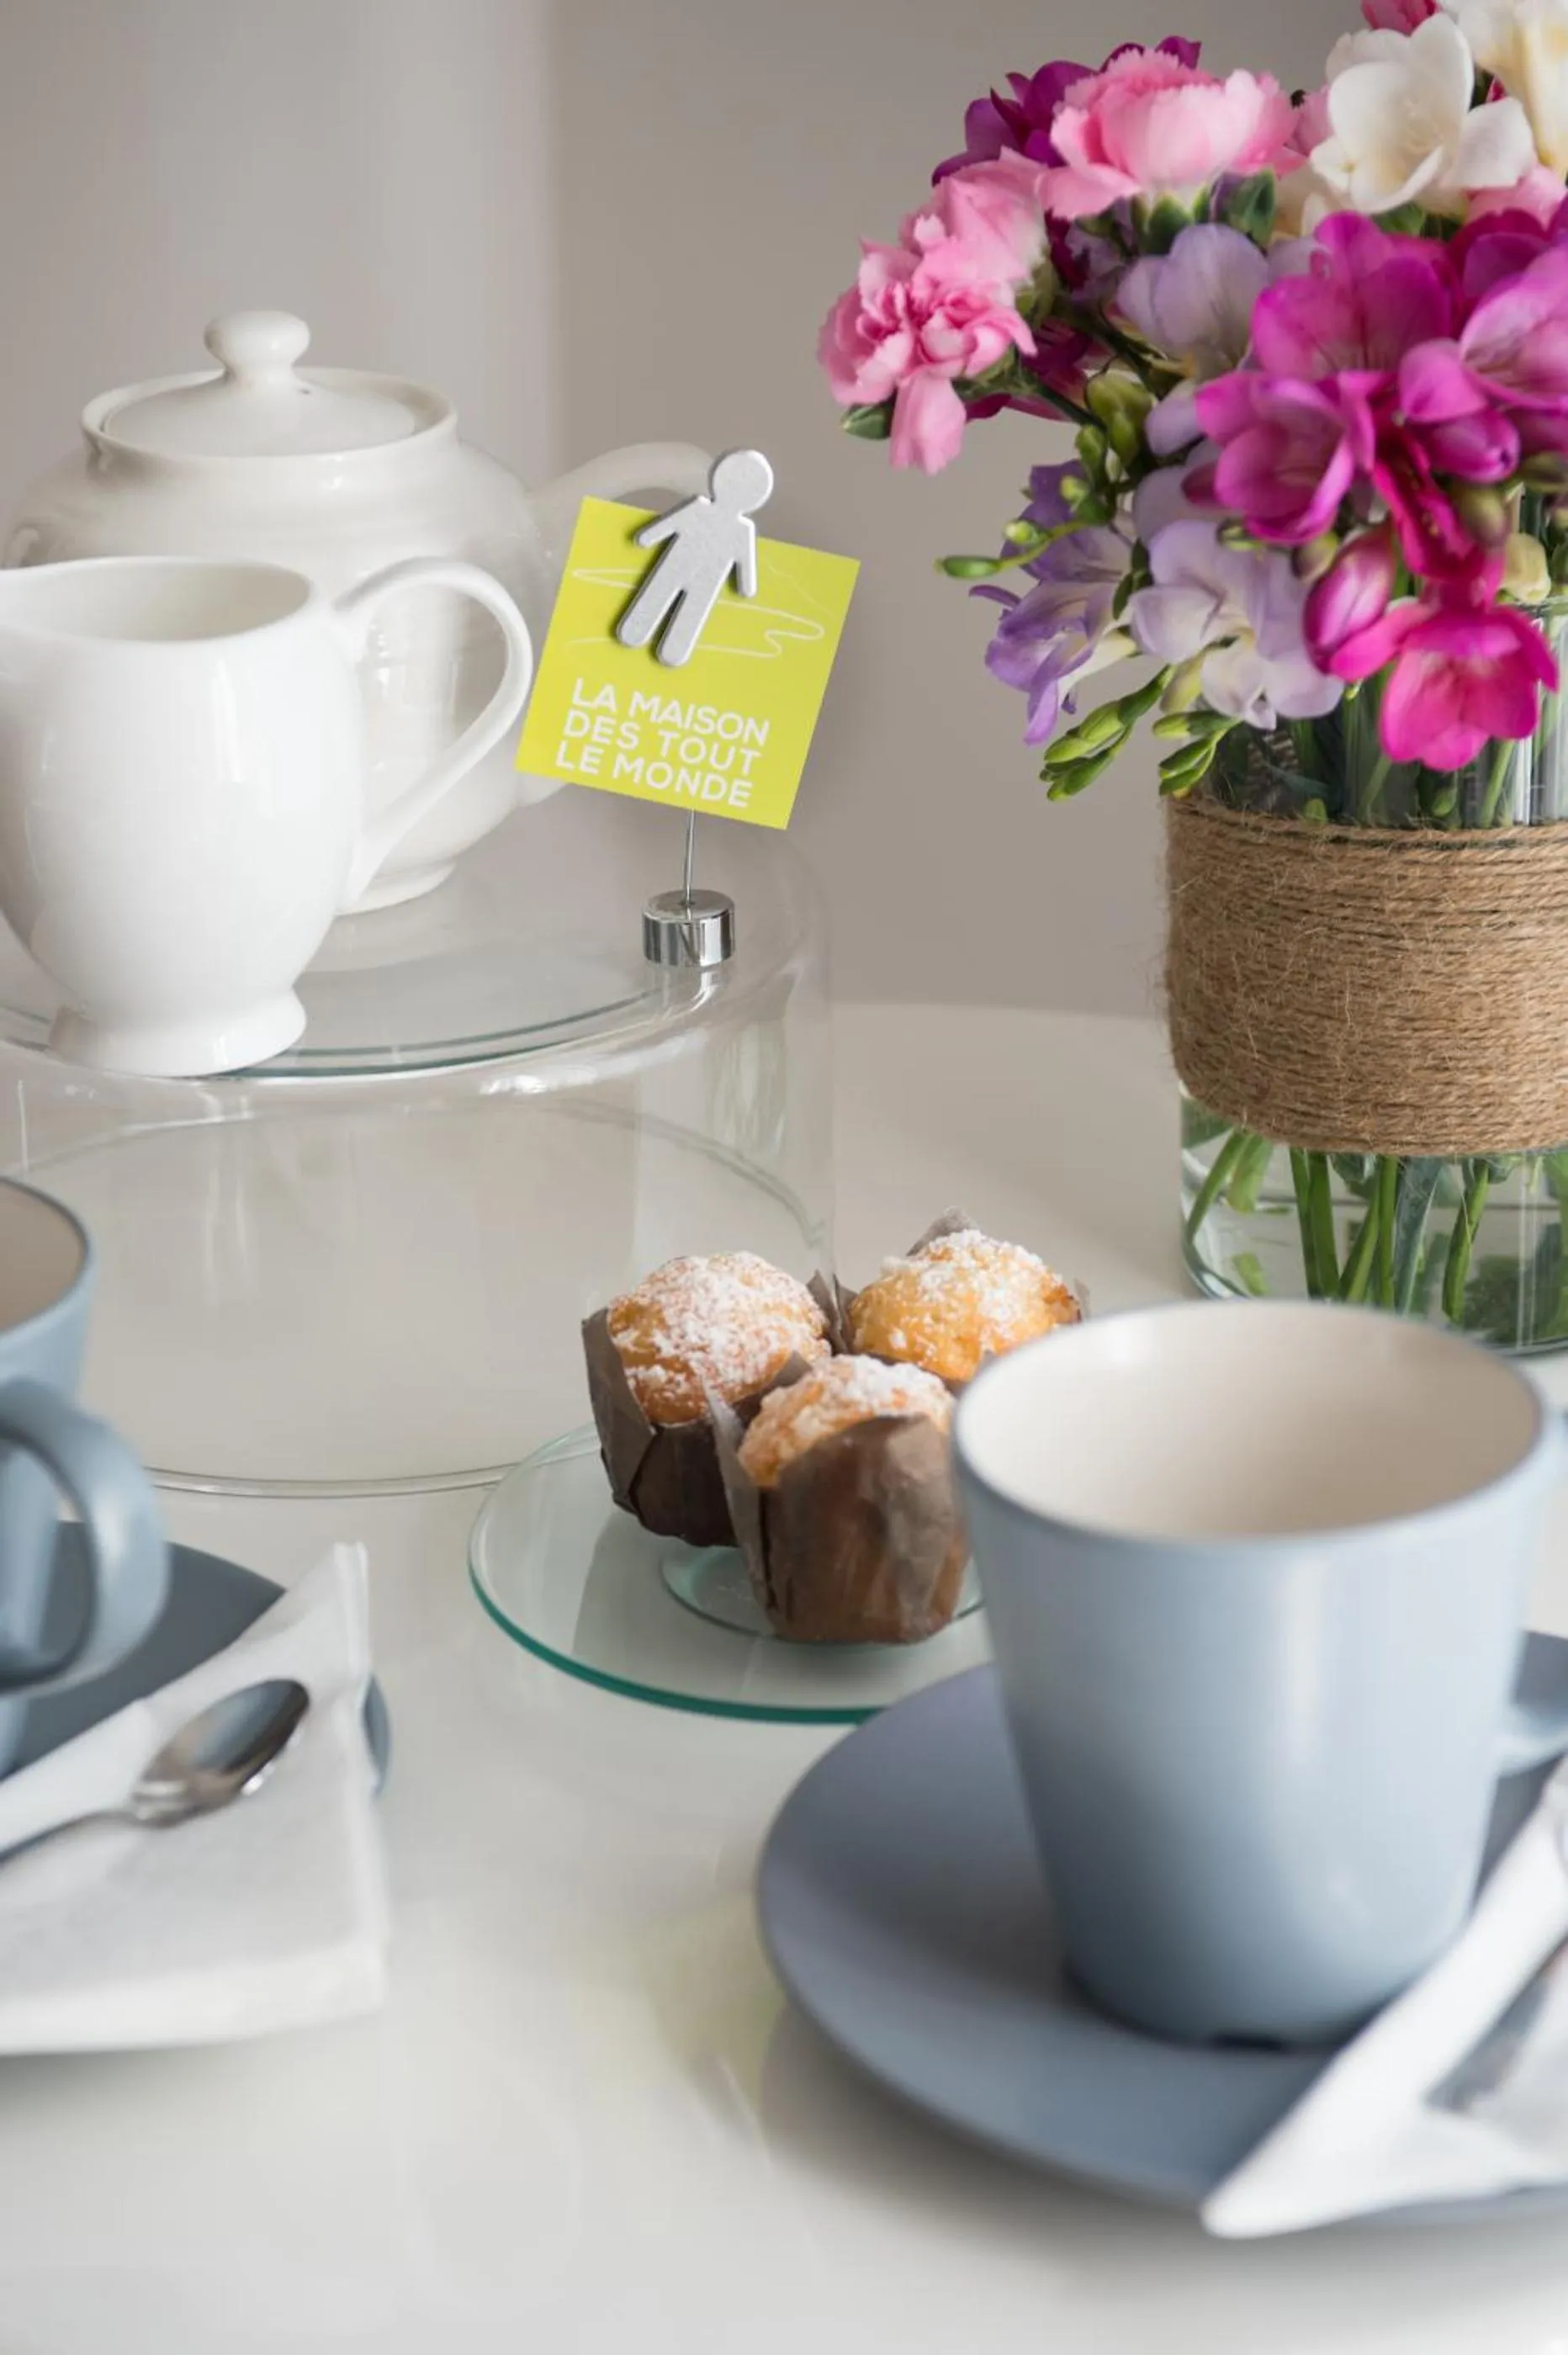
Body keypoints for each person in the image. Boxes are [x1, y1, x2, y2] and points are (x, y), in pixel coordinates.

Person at [617, 449, 774, 668]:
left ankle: (655, 642)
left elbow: (746, 572)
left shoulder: (736, 527)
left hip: (696, 573)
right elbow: (746, 582)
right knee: (668, 601)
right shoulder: (714, 516)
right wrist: (745, 587)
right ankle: (646, 637)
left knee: (682, 608)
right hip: (685, 569)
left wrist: (647, 537)